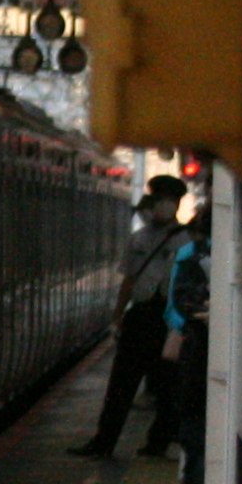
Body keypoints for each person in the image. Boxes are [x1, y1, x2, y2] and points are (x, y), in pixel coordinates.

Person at [73, 174, 192, 458]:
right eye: (158, 200)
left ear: (176, 204)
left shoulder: (186, 240)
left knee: (167, 386)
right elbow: (127, 280)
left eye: (169, 201)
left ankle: (158, 442)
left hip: (168, 319)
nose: (162, 207)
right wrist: (117, 316)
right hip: (140, 316)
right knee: (121, 383)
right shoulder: (138, 238)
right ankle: (104, 441)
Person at [157, 211, 213, 484]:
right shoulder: (191, 258)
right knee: (197, 474)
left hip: (205, 380)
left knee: (200, 474)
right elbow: (182, 306)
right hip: (198, 380)